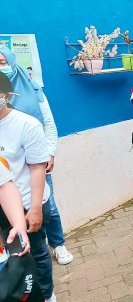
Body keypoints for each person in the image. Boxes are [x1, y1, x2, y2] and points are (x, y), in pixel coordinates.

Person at [0, 47, 74, 266]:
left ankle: (58, 244)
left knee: (44, 206)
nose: (1, 67)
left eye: (3, 61)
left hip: (35, 161)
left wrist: (49, 152)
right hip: (8, 168)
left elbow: (48, 123)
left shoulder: (32, 89)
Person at [0, 72, 55, 301]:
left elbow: (37, 168)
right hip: (4, 210)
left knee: (36, 252)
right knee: (11, 258)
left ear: (5, 94)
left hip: (25, 203)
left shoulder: (26, 124)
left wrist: (34, 209)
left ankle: (47, 294)